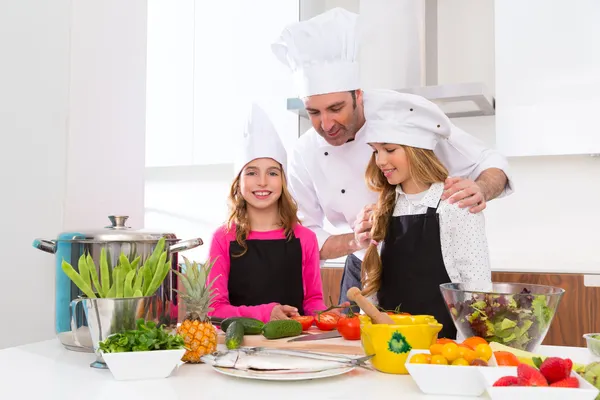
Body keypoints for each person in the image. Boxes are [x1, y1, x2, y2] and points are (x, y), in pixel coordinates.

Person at [271, 7, 513, 305]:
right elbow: (303, 235)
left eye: (336, 109)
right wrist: (354, 239)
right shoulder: (305, 151)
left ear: (358, 96)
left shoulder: (402, 114)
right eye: (313, 113)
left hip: (432, 274)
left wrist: (482, 188)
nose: (326, 124)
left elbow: (490, 162)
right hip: (363, 270)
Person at [355, 90, 492, 339]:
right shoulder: (383, 208)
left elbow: (476, 289)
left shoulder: (455, 203)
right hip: (390, 343)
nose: (380, 161)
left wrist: (467, 349)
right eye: (375, 151)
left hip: (444, 346)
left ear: (417, 150)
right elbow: (373, 289)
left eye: (389, 149)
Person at [206, 103, 327, 323]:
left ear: (282, 180)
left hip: (294, 346)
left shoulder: (305, 238)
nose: (262, 182)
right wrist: (264, 313)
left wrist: (327, 314)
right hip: (238, 348)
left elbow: (313, 301)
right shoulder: (223, 238)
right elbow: (214, 309)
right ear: (238, 182)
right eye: (252, 172)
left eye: (272, 173)